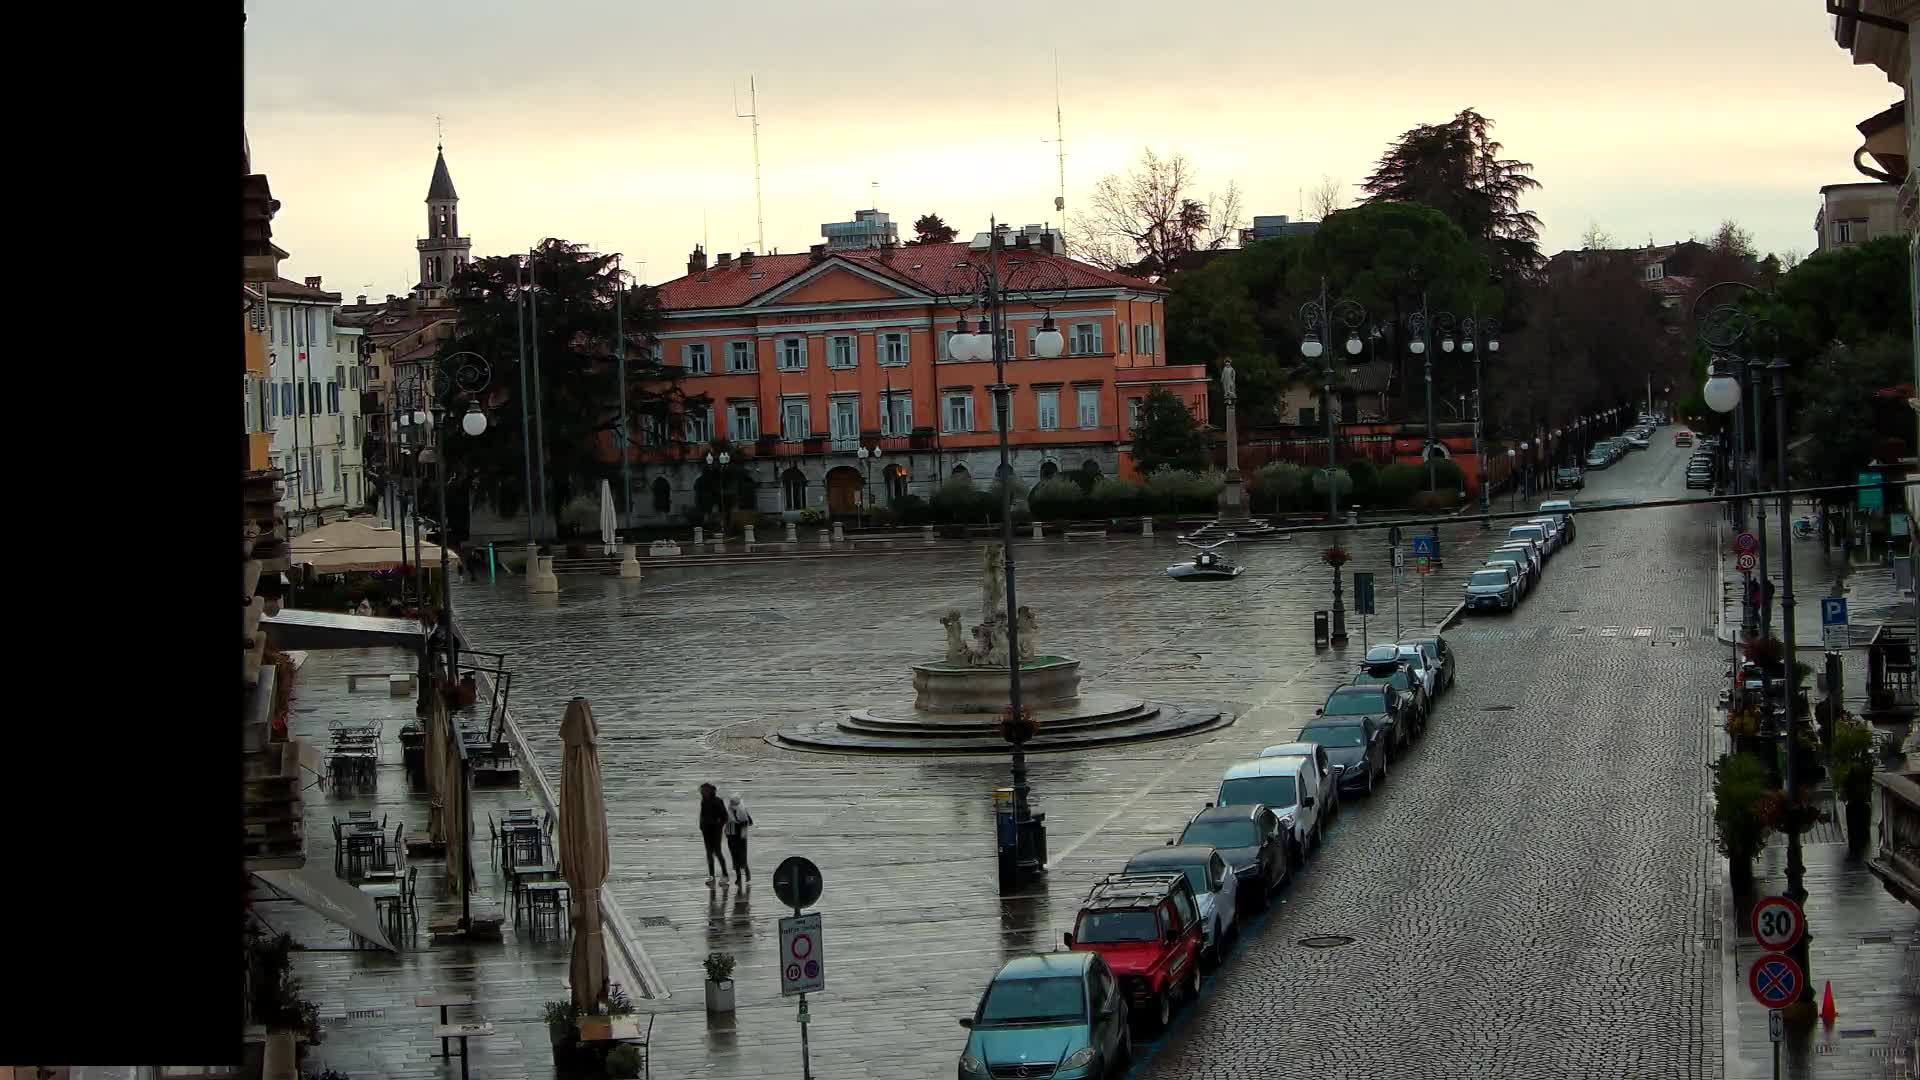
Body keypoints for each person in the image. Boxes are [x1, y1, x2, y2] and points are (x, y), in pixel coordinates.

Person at [698, 783, 729, 883]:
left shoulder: (717, 801)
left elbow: (725, 817)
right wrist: (701, 825)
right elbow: (702, 814)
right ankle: (711, 876)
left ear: (710, 791)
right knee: (709, 853)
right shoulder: (704, 801)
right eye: (702, 791)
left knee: (717, 852)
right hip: (706, 831)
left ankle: (725, 874)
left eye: (705, 791)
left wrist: (718, 826)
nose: (703, 793)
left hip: (715, 831)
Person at [723, 794, 754, 887]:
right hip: (731, 836)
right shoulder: (729, 810)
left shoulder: (742, 811)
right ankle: (739, 877)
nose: (732, 804)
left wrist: (740, 823)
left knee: (741, 856)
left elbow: (750, 822)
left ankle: (746, 873)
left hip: (740, 837)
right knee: (735, 857)